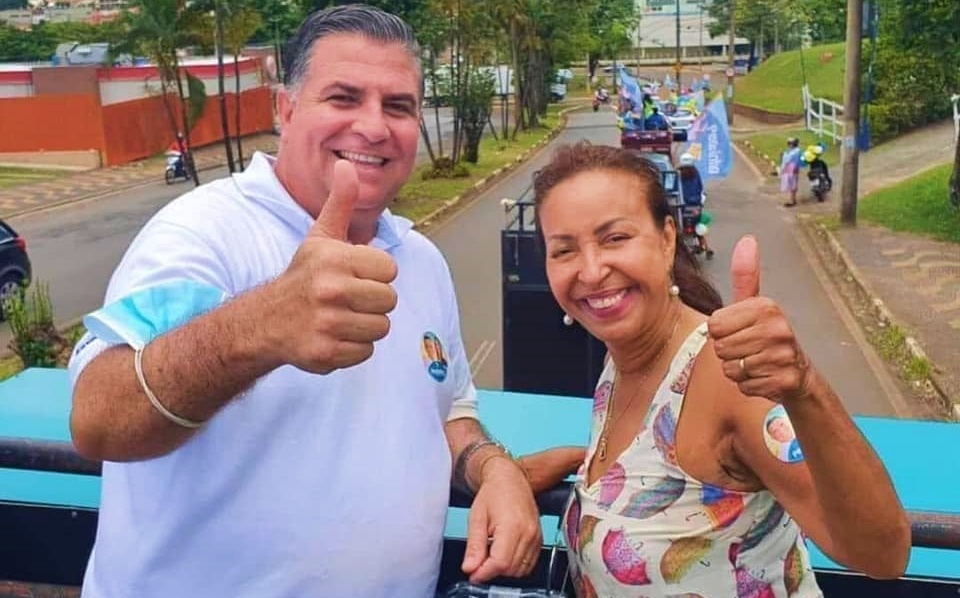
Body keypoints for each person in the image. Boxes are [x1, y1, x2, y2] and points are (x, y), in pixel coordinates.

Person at [67, 5, 543, 597]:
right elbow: (99, 421)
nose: (374, 126)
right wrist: (260, 327)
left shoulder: (420, 260)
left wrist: (493, 467)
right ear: (286, 110)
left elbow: (447, 413)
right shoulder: (204, 233)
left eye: (398, 106)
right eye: (344, 98)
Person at [530, 142, 911, 597]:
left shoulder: (729, 376)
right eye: (564, 250)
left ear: (667, 239)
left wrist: (805, 387)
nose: (591, 271)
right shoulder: (621, 361)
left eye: (615, 238)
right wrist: (534, 471)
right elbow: (655, 473)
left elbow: (882, 554)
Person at [677, 152, 714, 259]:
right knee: (698, 227)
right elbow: (700, 187)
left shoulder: (678, 175)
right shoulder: (695, 173)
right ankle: (706, 247)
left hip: (682, 208)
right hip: (696, 208)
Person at [780, 137, 803, 207]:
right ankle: (793, 199)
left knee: (793, 184)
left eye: (789, 143)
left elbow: (792, 160)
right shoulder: (792, 151)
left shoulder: (796, 151)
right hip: (790, 168)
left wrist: (783, 155)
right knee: (791, 184)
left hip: (793, 169)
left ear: (793, 144)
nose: (788, 145)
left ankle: (793, 200)